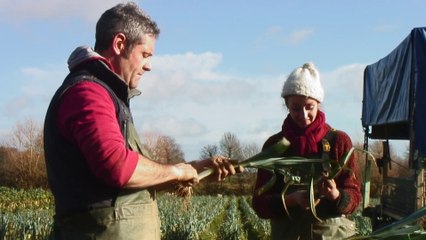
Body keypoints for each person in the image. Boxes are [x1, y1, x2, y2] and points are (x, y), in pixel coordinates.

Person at [43, 2, 240, 239]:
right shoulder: (87, 93)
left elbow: (129, 184)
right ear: (119, 44)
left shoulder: (109, 94)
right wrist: (177, 171)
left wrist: (197, 168)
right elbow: (117, 166)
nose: (149, 66)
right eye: (145, 54)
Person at [252, 62, 362, 240]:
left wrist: (336, 195)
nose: (303, 115)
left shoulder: (339, 142)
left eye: (309, 106)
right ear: (286, 105)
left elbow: (355, 197)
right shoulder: (274, 146)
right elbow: (259, 204)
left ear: (318, 103)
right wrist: (291, 199)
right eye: (296, 108)